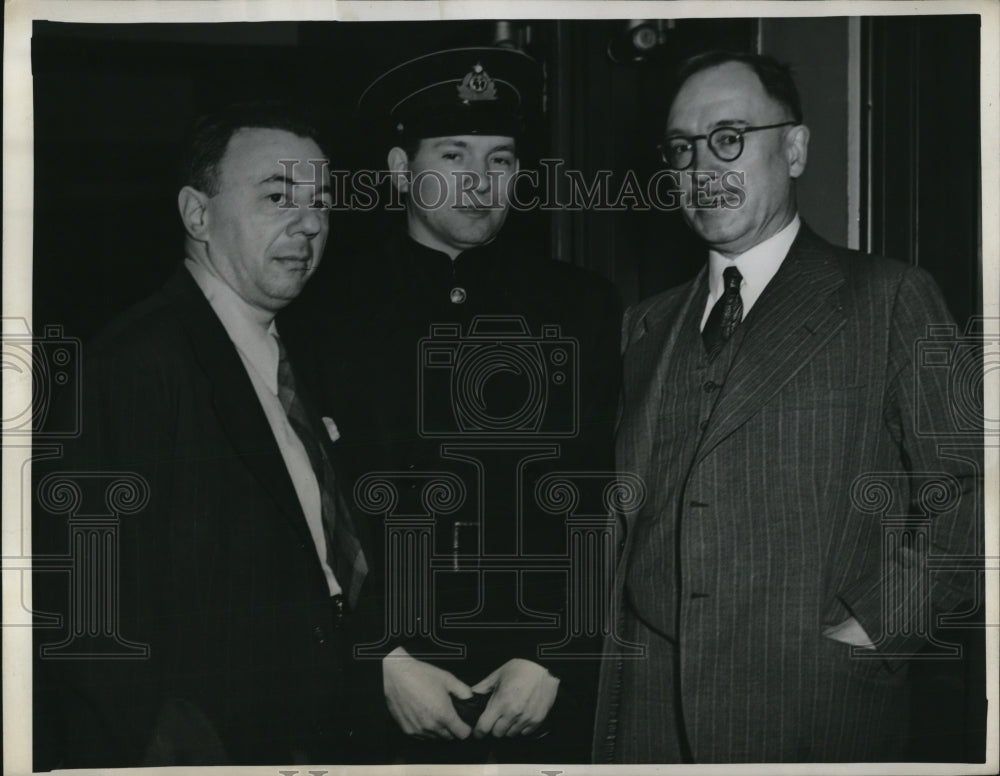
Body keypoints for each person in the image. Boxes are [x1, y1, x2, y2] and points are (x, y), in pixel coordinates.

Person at [593, 51, 981, 763]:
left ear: (795, 148)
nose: (703, 167)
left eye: (730, 137)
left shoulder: (888, 298)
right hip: (647, 717)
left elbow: (973, 489)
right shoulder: (645, 325)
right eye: (683, 148)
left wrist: (876, 625)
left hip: (807, 707)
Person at [288, 47, 622, 763]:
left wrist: (554, 654)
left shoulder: (580, 306)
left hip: (538, 690)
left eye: (500, 159)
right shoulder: (323, 312)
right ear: (401, 170)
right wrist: (380, 655)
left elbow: (598, 491)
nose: (480, 182)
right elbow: (306, 510)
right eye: (454, 155)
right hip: (382, 688)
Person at [33, 102, 381, 767]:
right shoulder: (134, 365)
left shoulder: (291, 356)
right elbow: (89, 617)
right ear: (197, 215)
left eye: (321, 202)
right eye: (278, 197)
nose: (309, 224)